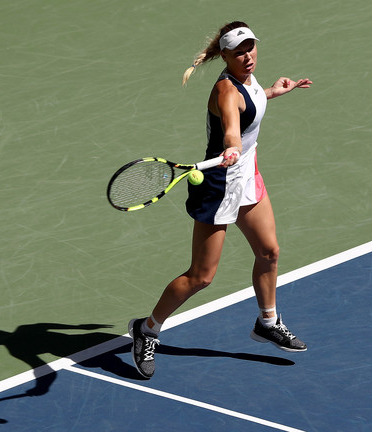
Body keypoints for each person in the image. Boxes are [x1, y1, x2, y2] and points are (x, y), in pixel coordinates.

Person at [128, 21, 313, 379]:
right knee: (201, 276)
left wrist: (273, 91)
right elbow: (232, 126)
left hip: (247, 177)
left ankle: (267, 322)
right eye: (239, 51)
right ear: (225, 56)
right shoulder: (227, 91)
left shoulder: (248, 79)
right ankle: (147, 329)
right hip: (220, 186)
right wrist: (232, 145)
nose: (248, 56)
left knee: (269, 252)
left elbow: (252, 102)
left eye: (251, 47)